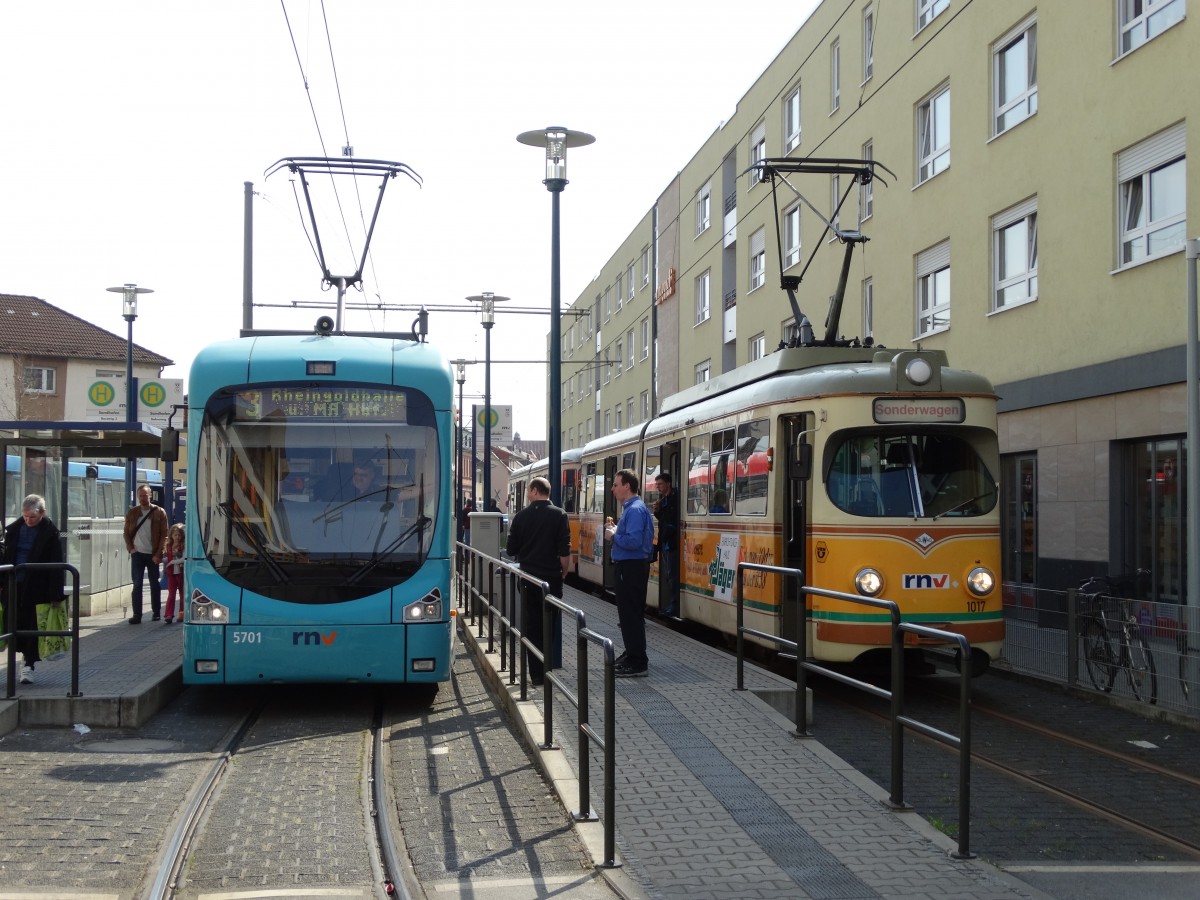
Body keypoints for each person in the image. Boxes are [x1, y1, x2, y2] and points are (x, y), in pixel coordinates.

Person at [505, 476, 570, 686]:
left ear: (534, 490)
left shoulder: (521, 517)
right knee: (549, 627)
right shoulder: (560, 515)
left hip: (528, 579)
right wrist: (563, 572)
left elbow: (511, 549)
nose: (527, 494)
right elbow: (564, 552)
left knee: (532, 627)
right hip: (551, 580)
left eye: (528, 490)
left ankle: (536, 675)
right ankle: (547, 670)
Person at [2, 495, 64, 683]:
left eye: (33, 517)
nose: (29, 520)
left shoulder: (50, 533)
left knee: (32, 626)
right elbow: (6, 557)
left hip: (37, 588)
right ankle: (16, 663)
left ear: (42, 513)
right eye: (26, 516)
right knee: (12, 624)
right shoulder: (14, 530)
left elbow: (57, 564)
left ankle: (28, 664)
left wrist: (55, 594)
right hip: (14, 585)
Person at [604, 468, 656, 677]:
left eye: (616, 485)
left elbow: (634, 541)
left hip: (631, 566)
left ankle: (638, 661)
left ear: (627, 486)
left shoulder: (634, 510)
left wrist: (613, 536)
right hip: (631, 566)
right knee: (629, 614)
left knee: (630, 614)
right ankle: (633, 653)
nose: (612, 489)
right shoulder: (634, 508)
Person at [124, 484, 169, 624]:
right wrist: (131, 549)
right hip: (137, 553)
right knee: (137, 584)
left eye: (145, 495)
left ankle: (156, 612)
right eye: (141, 496)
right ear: (138, 497)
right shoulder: (132, 513)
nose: (143, 498)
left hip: (153, 554)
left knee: (154, 583)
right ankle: (137, 614)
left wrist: (158, 554)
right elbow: (126, 533)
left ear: (150, 495)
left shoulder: (159, 512)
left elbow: (164, 535)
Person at [653, 472, 680, 618]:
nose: (658, 487)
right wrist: (657, 511)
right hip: (665, 542)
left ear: (668, 484)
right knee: (668, 575)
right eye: (657, 485)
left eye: (660, 484)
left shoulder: (675, 498)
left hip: (672, 542)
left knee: (672, 575)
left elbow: (672, 520)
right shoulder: (663, 500)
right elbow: (663, 519)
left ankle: (674, 606)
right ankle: (671, 604)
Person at [162, 523, 186, 623]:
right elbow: (166, 558)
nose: (177, 537)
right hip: (171, 573)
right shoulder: (168, 546)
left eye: (179, 535)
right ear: (171, 535)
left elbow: (184, 558)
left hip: (181, 572)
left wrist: (172, 562)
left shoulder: (183, 546)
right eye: (175, 535)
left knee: (182, 594)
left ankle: (182, 614)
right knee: (171, 594)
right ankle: (169, 614)